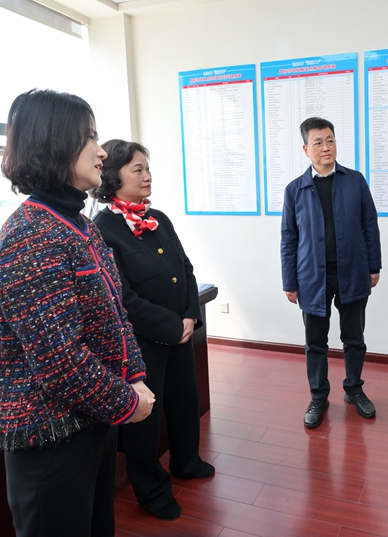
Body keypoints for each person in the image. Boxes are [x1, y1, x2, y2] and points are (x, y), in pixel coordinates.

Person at [0, 89, 154, 537]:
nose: (102, 151)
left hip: (90, 417)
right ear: (54, 143)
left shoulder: (76, 223)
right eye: (89, 137)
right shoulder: (32, 235)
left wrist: (133, 375)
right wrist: (127, 401)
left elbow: (114, 316)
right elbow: (59, 359)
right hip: (50, 436)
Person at [90, 139, 215, 520]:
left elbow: (186, 268)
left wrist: (190, 315)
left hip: (179, 334)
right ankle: (151, 489)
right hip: (141, 343)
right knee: (144, 419)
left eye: (147, 168)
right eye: (138, 169)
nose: (147, 176)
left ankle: (186, 462)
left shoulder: (158, 217)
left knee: (184, 401)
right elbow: (122, 296)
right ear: (113, 176)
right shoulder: (104, 228)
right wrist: (171, 325)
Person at [281, 117, 382, 429]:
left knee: (354, 338)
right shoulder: (295, 190)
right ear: (305, 149)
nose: (326, 147)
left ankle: (354, 389)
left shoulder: (355, 181)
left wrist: (374, 266)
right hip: (312, 278)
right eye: (318, 142)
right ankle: (318, 396)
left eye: (330, 140)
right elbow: (289, 238)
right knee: (315, 342)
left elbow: (370, 225)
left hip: (353, 272)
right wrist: (289, 281)